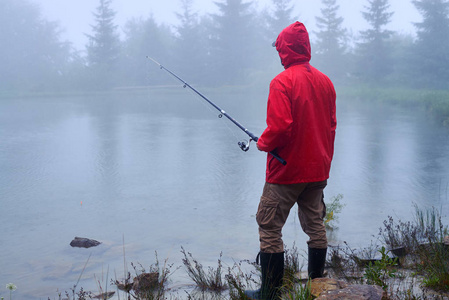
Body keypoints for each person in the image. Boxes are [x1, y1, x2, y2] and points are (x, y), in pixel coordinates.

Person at [244, 21, 337, 300]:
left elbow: (280, 127)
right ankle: (317, 287)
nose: (278, 54)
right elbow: (331, 126)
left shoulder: (282, 82)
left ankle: (271, 292)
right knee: (315, 225)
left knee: (269, 225)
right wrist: (322, 160)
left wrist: (263, 143)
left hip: (286, 171)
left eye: (279, 48)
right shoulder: (326, 82)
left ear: (285, 49)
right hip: (317, 170)